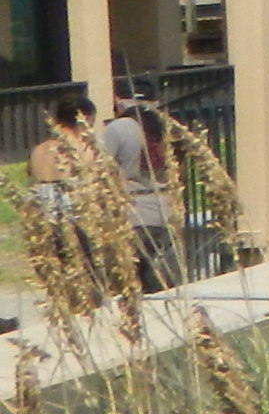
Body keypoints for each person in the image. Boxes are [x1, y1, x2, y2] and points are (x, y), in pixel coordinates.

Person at [99, 97, 176, 292]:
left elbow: (101, 169)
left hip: (133, 213)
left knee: (127, 282)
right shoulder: (160, 127)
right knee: (156, 278)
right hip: (164, 212)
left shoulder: (118, 128)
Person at [23, 95, 100, 283]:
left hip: (42, 216)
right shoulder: (83, 150)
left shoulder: (38, 150)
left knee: (55, 277)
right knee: (83, 276)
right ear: (85, 119)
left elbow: (31, 177)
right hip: (73, 217)